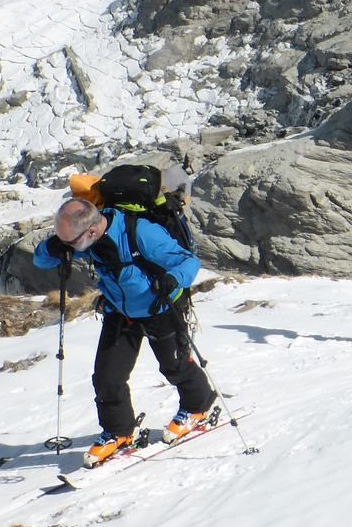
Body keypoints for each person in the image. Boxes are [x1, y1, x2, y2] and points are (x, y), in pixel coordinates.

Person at [33, 198, 215, 467]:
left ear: (91, 232)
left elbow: (188, 262)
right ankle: (118, 432)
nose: (69, 247)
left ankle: (198, 407)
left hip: (159, 306)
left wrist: (173, 279)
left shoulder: (140, 233)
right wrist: (53, 246)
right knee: (107, 377)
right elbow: (41, 261)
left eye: (70, 242)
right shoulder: (85, 239)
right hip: (120, 311)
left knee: (174, 366)